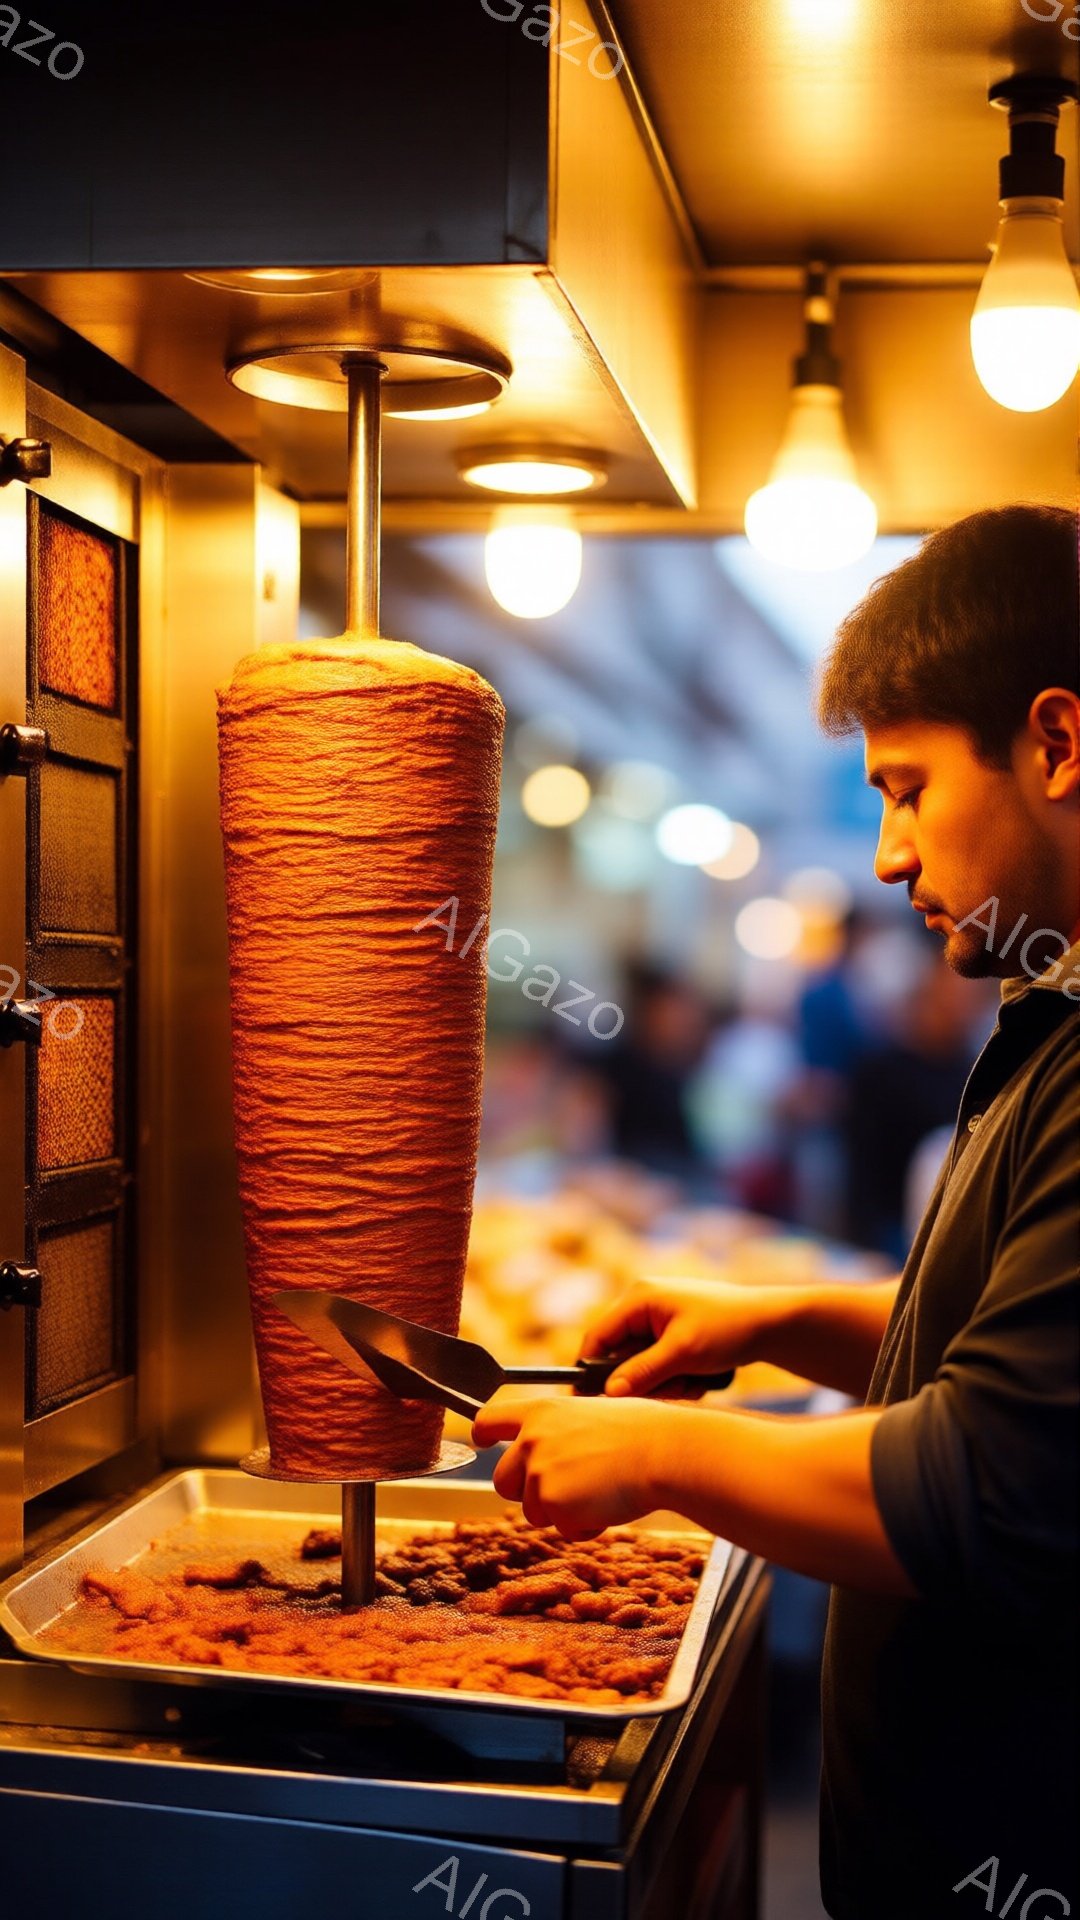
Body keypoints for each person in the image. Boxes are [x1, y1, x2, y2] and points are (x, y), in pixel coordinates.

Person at [473, 504, 1080, 1920]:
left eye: (910, 787)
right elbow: (1016, 1371)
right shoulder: (1046, 1016)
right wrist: (771, 1320)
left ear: (1055, 742)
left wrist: (654, 1453)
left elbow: (981, 1488)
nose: (885, 853)